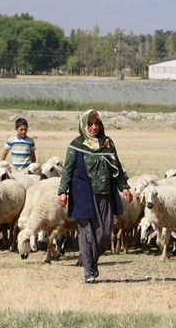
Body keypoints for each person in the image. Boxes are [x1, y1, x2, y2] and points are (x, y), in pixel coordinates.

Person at [57, 109, 133, 283]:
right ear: (84, 125)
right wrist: (63, 192)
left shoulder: (107, 143)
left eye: (96, 124)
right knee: (87, 234)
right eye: (90, 124)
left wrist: (124, 187)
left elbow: (117, 166)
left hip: (105, 193)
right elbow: (67, 169)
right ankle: (89, 271)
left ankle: (90, 261)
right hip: (83, 194)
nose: (94, 127)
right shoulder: (76, 145)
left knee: (104, 235)